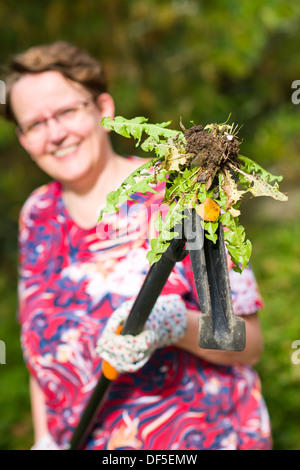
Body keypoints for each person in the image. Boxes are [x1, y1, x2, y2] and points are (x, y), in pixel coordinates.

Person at [1, 41, 272, 450]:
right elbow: (39, 342)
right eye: (35, 124)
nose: (55, 133)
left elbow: (248, 343)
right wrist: (44, 438)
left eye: (66, 111)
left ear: (103, 109)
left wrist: (176, 323)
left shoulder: (183, 194)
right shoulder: (37, 214)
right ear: (23, 139)